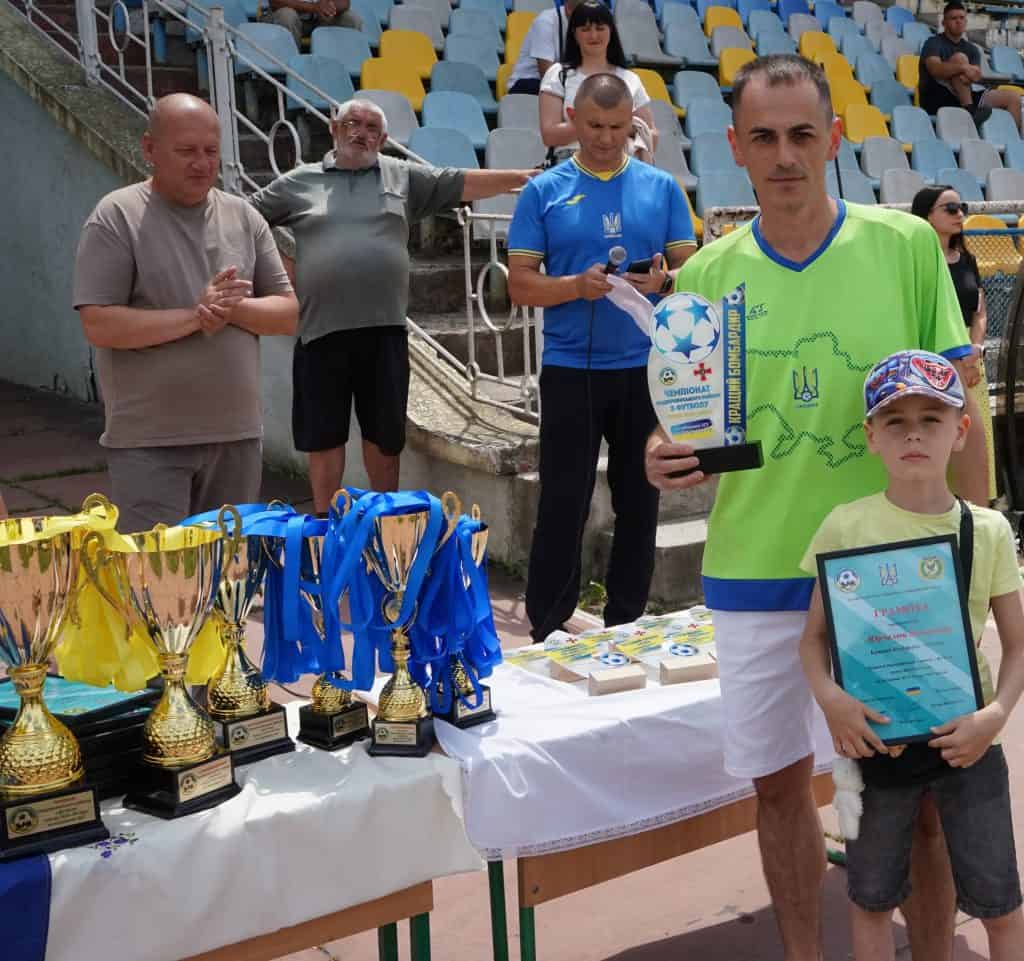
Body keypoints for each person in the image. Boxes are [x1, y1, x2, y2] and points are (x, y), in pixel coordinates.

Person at [644, 55, 988, 961]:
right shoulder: (705, 276)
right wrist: (662, 450)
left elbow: (959, 401)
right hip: (757, 571)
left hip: (895, 568)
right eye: (764, 137)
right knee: (779, 790)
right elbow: (687, 421)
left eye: (803, 134)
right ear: (734, 148)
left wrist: (980, 544)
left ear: (835, 138)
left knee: (919, 798)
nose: (785, 155)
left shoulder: (904, 246)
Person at [799, 349, 1024, 961]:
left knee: (1000, 905)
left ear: (961, 430)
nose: (914, 435)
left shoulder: (987, 530)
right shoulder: (844, 527)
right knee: (871, 899)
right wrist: (832, 701)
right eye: (895, 421)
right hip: (875, 743)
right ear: (872, 436)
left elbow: (1017, 644)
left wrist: (995, 716)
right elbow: (813, 640)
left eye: (931, 419)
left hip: (969, 741)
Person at [251, 99, 538, 510]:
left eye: (372, 128)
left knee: (385, 439)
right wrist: (280, 269)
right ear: (334, 128)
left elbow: (459, 182)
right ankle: (324, 525)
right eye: (352, 122)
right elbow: (246, 218)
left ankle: (386, 522)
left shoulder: (401, 176)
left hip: (384, 332)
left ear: (383, 138)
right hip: (320, 331)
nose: (360, 132)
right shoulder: (299, 181)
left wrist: (524, 179)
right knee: (323, 438)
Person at [508, 73, 697, 642]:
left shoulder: (662, 187)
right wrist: (573, 286)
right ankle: (547, 624)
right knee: (564, 499)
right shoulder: (544, 191)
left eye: (618, 127)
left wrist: (665, 280)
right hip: (572, 367)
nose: (607, 138)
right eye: (594, 126)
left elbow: (692, 271)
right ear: (572, 118)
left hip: (645, 367)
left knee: (640, 500)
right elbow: (520, 283)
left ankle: (627, 622)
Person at [73, 94, 297, 533]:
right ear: (150, 149)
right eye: (187, 151)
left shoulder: (244, 217)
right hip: (150, 443)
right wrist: (196, 315)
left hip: (236, 438)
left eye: (211, 151)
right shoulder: (116, 216)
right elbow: (98, 323)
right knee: (156, 574)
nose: (202, 163)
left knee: (228, 570)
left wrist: (230, 309)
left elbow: (287, 314)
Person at [912, 185, 997, 504]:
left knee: (975, 435)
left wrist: (975, 350)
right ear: (927, 216)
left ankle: (979, 506)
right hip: (936, 357)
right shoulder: (917, 263)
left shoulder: (968, 260)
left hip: (972, 357)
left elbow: (980, 311)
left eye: (961, 208)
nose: (959, 214)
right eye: (950, 209)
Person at [539, 1, 657, 162]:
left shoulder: (630, 78)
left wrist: (597, 125)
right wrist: (612, 125)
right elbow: (549, 135)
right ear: (574, 34)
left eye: (600, 28)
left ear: (611, 31)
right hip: (571, 162)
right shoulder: (558, 74)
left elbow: (650, 133)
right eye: (585, 29)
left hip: (623, 163)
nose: (593, 35)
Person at [919, 0, 1021, 130]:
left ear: (966, 21)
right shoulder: (933, 43)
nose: (958, 21)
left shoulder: (972, 48)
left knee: (1013, 98)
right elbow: (935, 69)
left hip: (964, 94)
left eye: (962, 18)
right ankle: (969, 111)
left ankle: (1014, 139)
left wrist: (964, 72)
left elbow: (975, 76)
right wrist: (962, 67)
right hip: (936, 97)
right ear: (944, 23)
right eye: (953, 18)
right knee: (960, 59)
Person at [507, 0, 582, 96]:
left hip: (560, 83)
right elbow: (547, 75)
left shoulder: (591, 28)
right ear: (568, 9)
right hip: (527, 84)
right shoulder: (545, 22)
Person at [269, 0, 363, 49]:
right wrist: (313, 7)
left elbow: (344, 2)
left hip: (320, 19)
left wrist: (328, 8)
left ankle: (345, 69)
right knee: (287, 15)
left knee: (351, 19)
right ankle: (288, 68)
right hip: (287, 18)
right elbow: (276, 2)